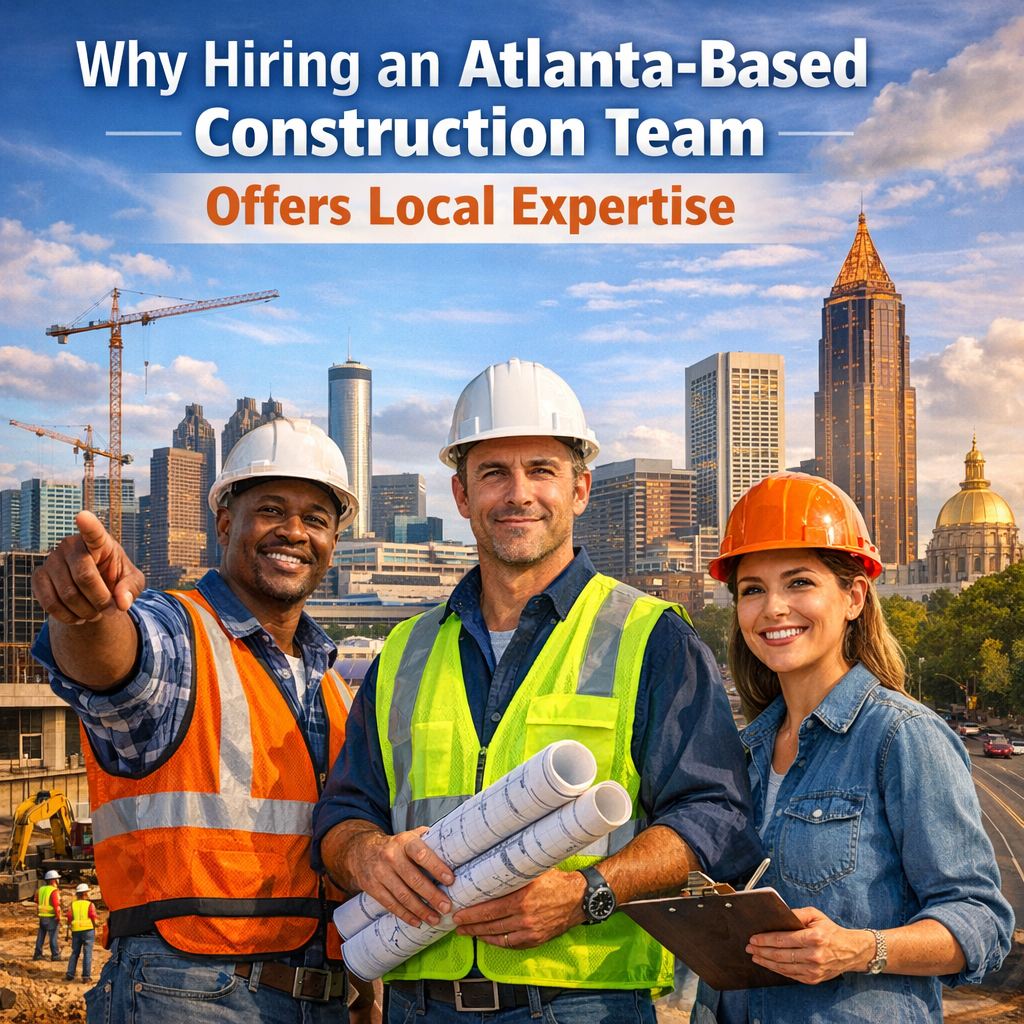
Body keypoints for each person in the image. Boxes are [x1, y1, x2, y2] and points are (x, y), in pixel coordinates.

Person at [314, 358, 764, 1023]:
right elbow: (343, 812)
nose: (518, 493)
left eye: (541, 471)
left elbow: (716, 816)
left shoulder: (649, 637)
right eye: (494, 473)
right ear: (462, 496)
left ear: (580, 490)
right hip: (418, 1001)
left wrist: (589, 891)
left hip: (584, 1006)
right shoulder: (404, 651)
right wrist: (366, 853)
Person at [31, 418, 376, 1023]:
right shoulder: (182, 633)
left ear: (333, 541)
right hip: (191, 989)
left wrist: (362, 993)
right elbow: (119, 663)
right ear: (224, 522)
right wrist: (85, 614)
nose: (293, 531)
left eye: (316, 518)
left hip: (321, 994)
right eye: (271, 509)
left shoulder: (334, 689)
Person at [693, 472, 1015, 1024]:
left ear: (854, 596)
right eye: (753, 589)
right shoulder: (743, 751)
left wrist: (859, 949)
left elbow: (981, 920)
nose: (773, 608)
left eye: (798, 583)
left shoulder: (902, 737)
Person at [66, 883, 97, 982]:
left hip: (76, 931)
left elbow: (69, 917)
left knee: (75, 952)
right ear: (85, 893)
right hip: (88, 930)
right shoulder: (90, 904)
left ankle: (70, 974)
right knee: (87, 953)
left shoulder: (72, 905)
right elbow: (93, 916)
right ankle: (86, 976)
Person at [33, 869, 61, 962]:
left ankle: (37, 954)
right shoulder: (54, 891)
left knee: (41, 935)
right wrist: (58, 916)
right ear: (54, 880)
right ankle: (55, 955)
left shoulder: (40, 889)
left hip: (42, 916)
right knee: (53, 937)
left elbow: (36, 900)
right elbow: (56, 904)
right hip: (51, 916)